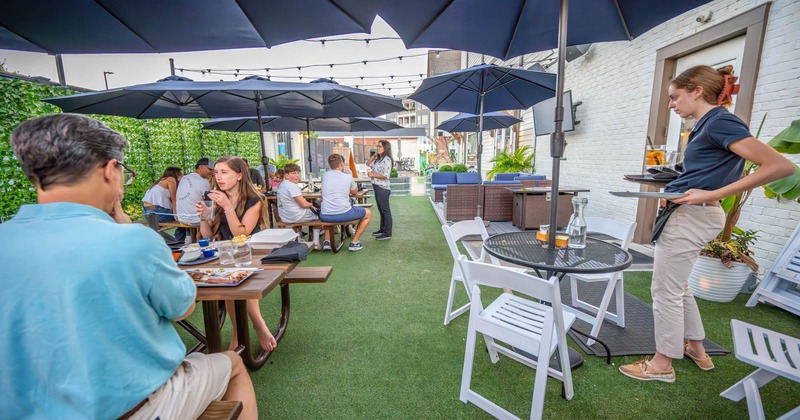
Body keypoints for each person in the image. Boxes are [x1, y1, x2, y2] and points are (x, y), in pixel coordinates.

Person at [0, 114, 257, 419]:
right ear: (111, 170)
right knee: (234, 365)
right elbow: (183, 307)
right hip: (130, 409)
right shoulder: (134, 240)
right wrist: (130, 227)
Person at [619, 65, 794, 383]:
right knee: (678, 285)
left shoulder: (719, 121)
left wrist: (716, 192)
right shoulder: (705, 125)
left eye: (675, 97)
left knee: (664, 290)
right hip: (692, 213)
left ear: (697, 90)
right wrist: (669, 185)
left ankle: (661, 364)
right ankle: (697, 348)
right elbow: (705, 170)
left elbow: (780, 165)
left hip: (694, 215)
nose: (671, 105)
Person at [196, 156, 276, 352]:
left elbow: (241, 233)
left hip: (252, 253)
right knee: (226, 280)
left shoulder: (254, 200)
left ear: (239, 175)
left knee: (233, 280)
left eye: (224, 172)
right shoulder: (215, 198)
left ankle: (256, 326)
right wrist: (204, 217)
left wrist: (227, 207)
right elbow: (206, 234)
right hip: (225, 254)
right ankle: (242, 332)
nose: (219, 177)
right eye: (216, 172)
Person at [320, 154, 371, 252]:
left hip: (325, 215)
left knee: (327, 206)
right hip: (343, 214)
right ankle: (354, 242)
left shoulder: (325, 175)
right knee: (367, 213)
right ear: (342, 164)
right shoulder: (348, 177)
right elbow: (355, 192)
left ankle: (327, 241)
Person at [276, 162, 328, 248]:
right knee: (319, 215)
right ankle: (315, 242)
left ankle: (298, 238)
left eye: (297, 173)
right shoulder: (292, 186)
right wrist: (311, 204)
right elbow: (303, 204)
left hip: (285, 217)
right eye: (293, 173)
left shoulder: (282, 185)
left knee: (306, 210)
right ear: (286, 175)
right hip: (295, 216)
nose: (297, 175)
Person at [175, 157, 215, 242]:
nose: (212, 172)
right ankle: (210, 241)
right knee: (216, 214)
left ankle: (188, 238)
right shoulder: (203, 182)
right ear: (201, 167)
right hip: (195, 220)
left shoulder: (184, 178)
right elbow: (209, 204)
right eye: (210, 169)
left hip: (182, 218)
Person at [367, 140, 394, 240]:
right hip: (377, 187)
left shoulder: (387, 160)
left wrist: (372, 175)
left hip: (383, 188)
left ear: (385, 148)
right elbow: (367, 163)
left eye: (379, 146)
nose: (377, 148)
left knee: (385, 210)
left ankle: (387, 233)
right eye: (377, 146)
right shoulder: (378, 159)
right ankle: (382, 229)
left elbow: (385, 176)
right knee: (381, 210)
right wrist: (374, 155)